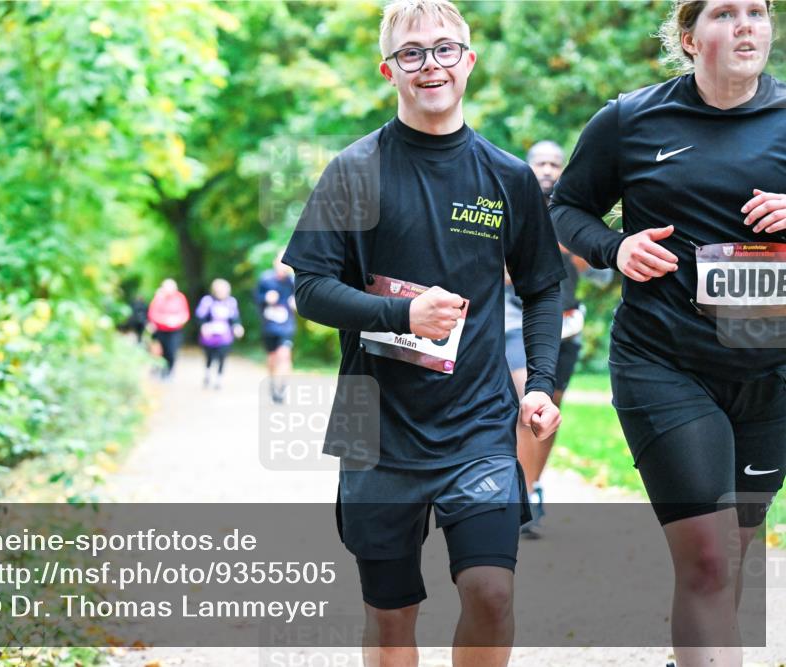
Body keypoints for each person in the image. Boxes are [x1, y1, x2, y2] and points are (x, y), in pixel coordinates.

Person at [283, 1, 566, 664]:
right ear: (389, 69)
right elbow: (310, 288)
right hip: (374, 425)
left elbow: (542, 286)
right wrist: (400, 315)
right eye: (412, 53)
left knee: (491, 591)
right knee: (391, 616)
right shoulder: (353, 171)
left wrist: (544, 383)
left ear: (468, 61)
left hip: (478, 424)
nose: (429, 64)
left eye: (444, 49)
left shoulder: (508, 177)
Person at [549, 1, 785, 664]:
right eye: (725, 12)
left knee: (733, 549)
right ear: (689, 38)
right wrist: (615, 248)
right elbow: (567, 207)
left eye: (758, 11)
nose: (746, 24)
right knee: (709, 558)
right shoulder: (632, 119)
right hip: (665, 361)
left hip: (772, 371)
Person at [507, 140, 606, 536]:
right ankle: (513, 495)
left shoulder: (575, 213)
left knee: (549, 414)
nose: (547, 170)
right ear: (528, 168)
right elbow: (492, 267)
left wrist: (574, 243)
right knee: (526, 402)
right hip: (515, 317)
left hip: (567, 322)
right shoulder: (513, 206)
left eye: (554, 164)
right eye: (540, 163)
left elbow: (600, 271)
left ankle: (530, 489)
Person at [255, 251, 296, 403]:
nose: (283, 266)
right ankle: (273, 385)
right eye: (280, 262)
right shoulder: (265, 279)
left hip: (286, 325)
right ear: (274, 263)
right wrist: (265, 298)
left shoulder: (292, 281)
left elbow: (301, 298)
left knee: (284, 355)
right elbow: (256, 299)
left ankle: (282, 389)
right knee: (272, 358)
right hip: (269, 325)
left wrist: (296, 303)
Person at [195, 278, 244, 390]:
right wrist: (203, 326)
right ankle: (207, 373)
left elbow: (235, 318)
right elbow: (200, 316)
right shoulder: (207, 301)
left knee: (222, 356)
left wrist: (237, 327)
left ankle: (219, 378)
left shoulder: (231, 302)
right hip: (209, 334)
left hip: (225, 335)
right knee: (209, 356)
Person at [146, 278, 190, 380]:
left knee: (171, 351)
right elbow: (152, 314)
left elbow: (185, 313)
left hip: (175, 330)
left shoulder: (180, 298)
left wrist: (177, 320)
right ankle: (161, 370)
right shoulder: (158, 298)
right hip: (160, 330)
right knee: (160, 352)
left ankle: (170, 371)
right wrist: (164, 320)